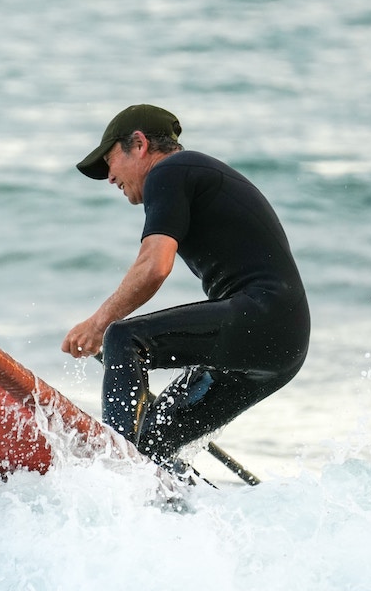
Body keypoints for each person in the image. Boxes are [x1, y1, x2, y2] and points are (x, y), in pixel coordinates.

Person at [61, 104, 310, 466]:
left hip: (263, 315)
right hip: (284, 345)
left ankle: (113, 471)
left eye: (109, 161)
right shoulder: (193, 175)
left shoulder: (170, 171)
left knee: (124, 339)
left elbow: (154, 266)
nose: (109, 177)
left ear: (140, 143)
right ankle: (166, 508)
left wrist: (98, 325)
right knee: (152, 443)